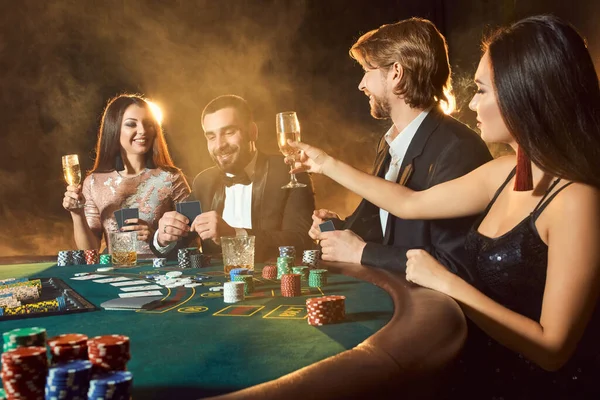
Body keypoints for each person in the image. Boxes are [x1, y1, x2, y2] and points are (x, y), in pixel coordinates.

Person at [291, 15, 600, 399]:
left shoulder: (576, 200)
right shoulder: (503, 170)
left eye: (483, 91)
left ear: (523, 93)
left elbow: (552, 350)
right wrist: (323, 163)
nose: (470, 102)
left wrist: (445, 281)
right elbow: (409, 203)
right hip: (475, 368)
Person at [308, 18, 491, 279]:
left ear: (396, 73)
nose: (361, 85)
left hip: (439, 315)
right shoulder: (391, 141)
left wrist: (361, 252)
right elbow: (387, 230)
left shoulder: (458, 149)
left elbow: (453, 265)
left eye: (367, 71)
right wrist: (335, 229)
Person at [152, 95, 315, 261]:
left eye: (229, 132)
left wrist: (235, 234)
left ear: (252, 132)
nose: (220, 145)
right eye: (211, 137)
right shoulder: (204, 182)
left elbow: (301, 241)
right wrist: (163, 237)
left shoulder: (289, 171)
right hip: (215, 284)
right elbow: (178, 247)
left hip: (273, 282)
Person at [63, 94, 190, 255]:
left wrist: (156, 238)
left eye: (148, 124)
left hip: (162, 275)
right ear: (114, 129)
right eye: (131, 124)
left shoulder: (171, 177)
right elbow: (90, 250)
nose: (143, 131)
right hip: (117, 276)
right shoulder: (94, 182)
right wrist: (77, 213)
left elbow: (194, 238)